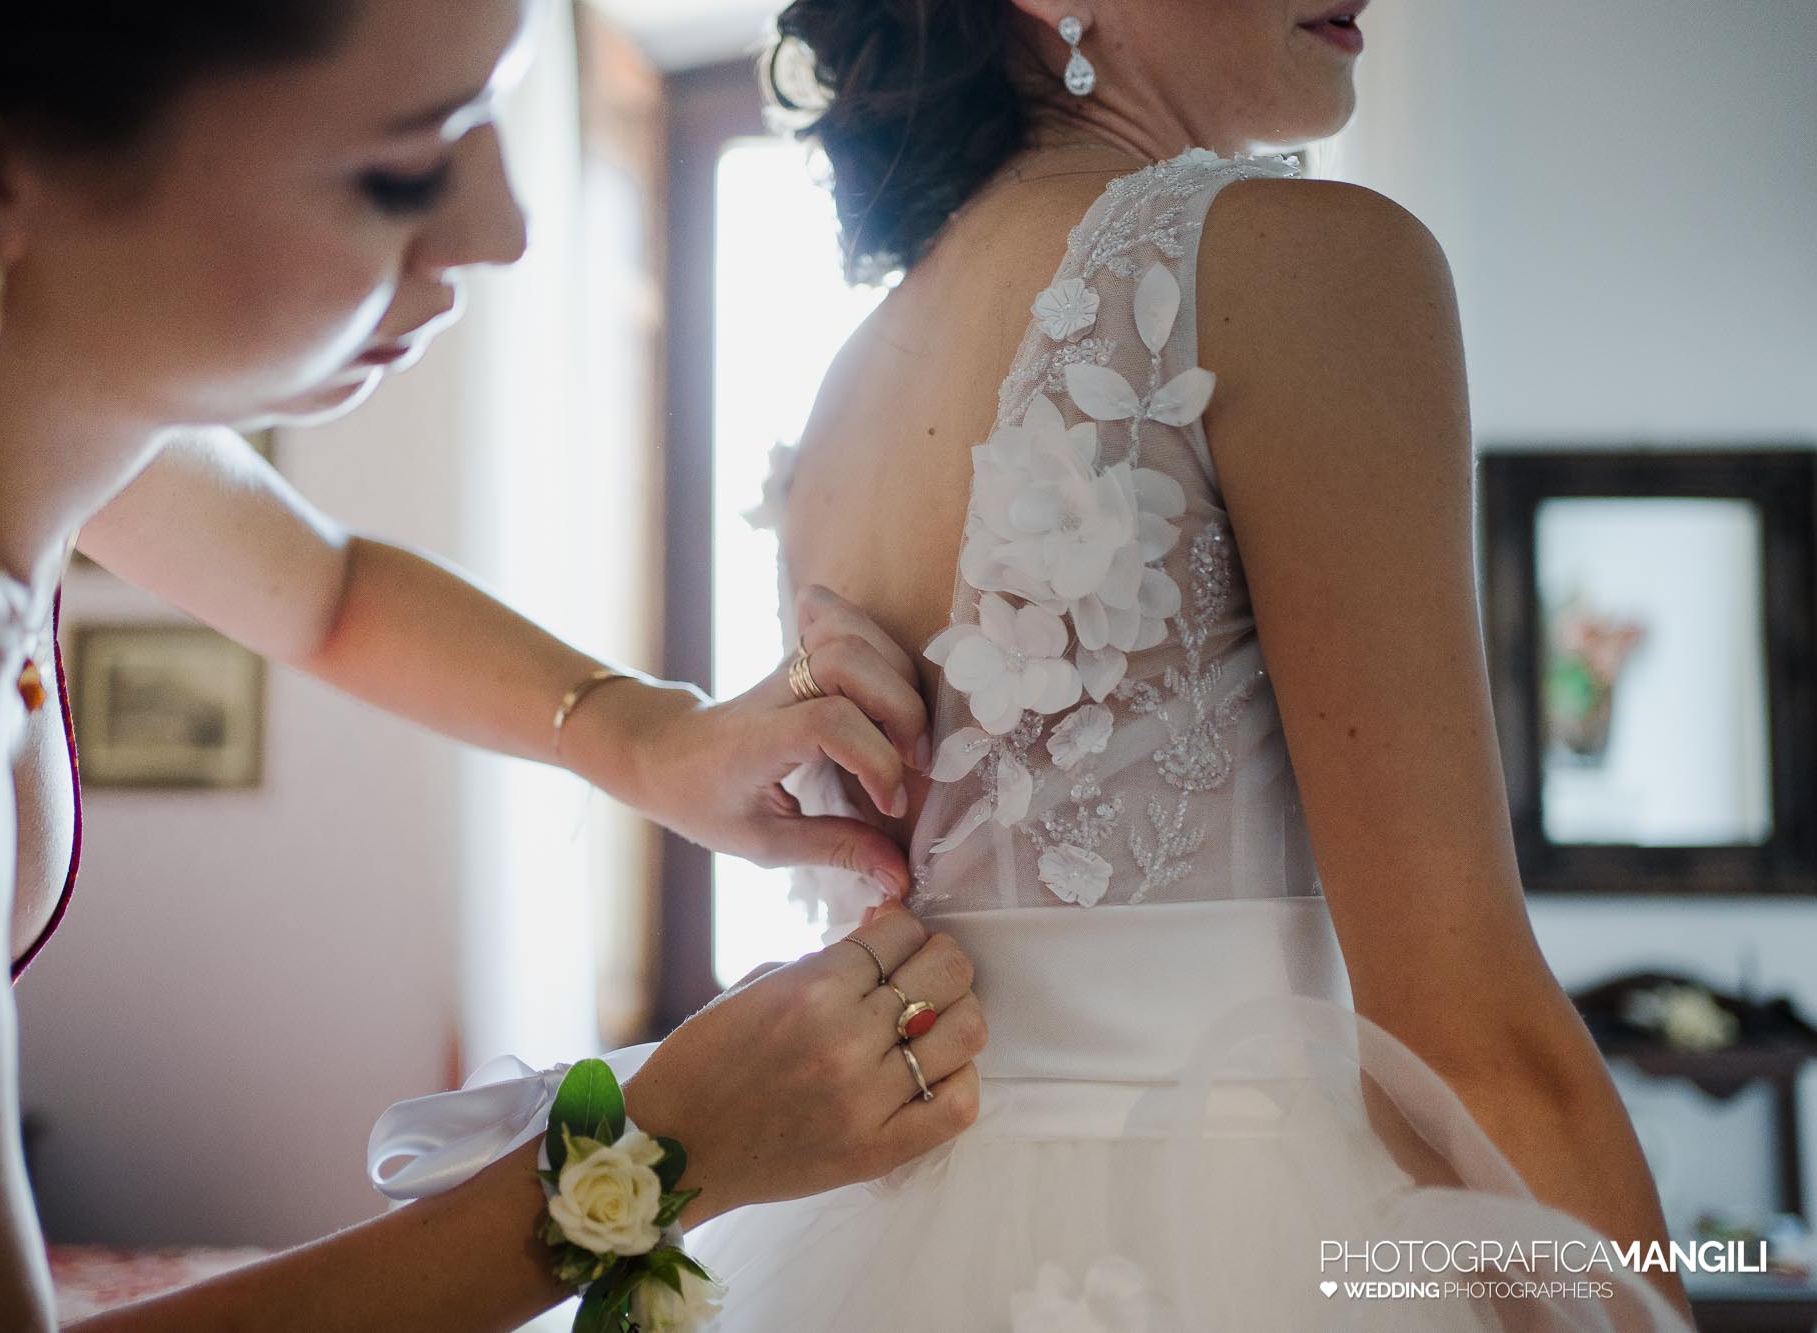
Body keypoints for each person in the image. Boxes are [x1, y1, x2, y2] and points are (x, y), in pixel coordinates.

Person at [0, 1, 986, 1328]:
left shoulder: (20, 373)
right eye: (402, 169)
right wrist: (651, 1162)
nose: (504, 228)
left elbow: (326, 592)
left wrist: (651, 735)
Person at [666, 0, 1704, 1328]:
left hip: (884, 1255)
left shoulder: (849, 385)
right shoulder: (1305, 263)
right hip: (1242, 1240)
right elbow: (1471, 1040)